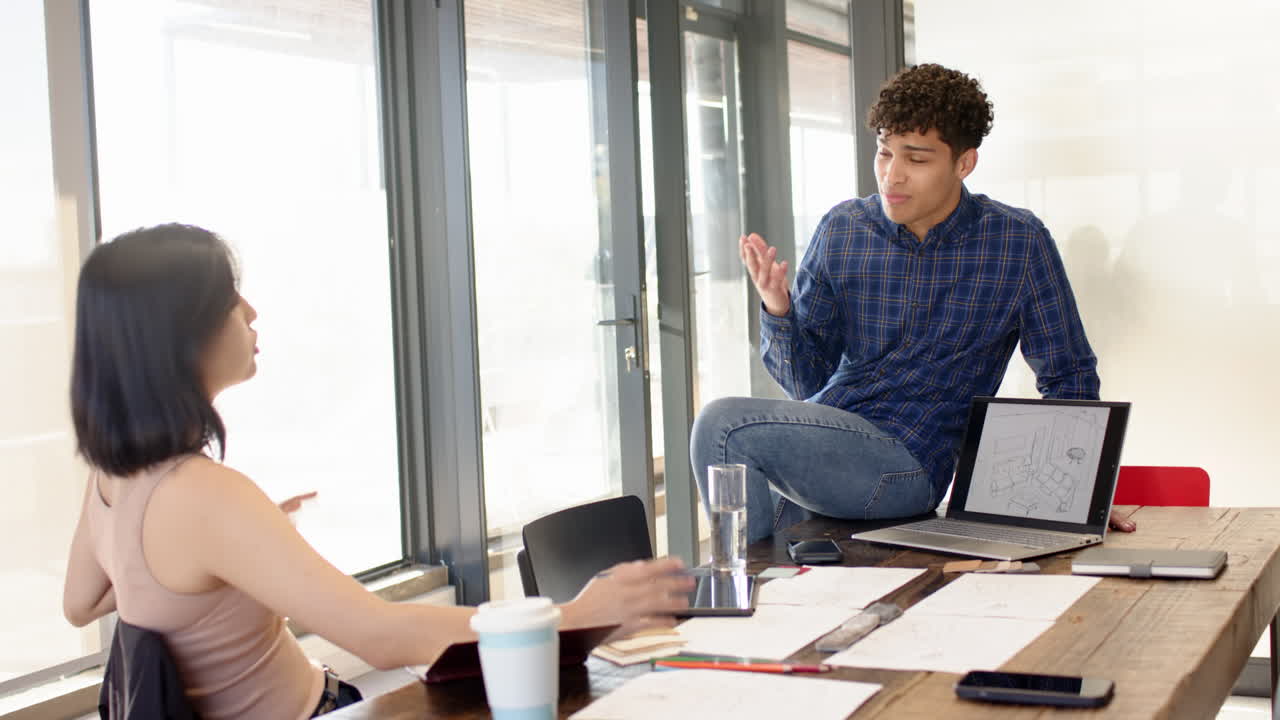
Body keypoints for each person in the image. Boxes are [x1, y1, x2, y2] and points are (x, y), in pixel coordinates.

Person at [62, 224, 693, 719]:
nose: (251, 312)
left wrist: (230, 557)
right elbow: (381, 635)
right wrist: (572, 615)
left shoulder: (113, 476)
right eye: (228, 299)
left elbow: (82, 601)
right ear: (177, 335)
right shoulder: (202, 495)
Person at [689, 63, 1137, 544]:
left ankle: (736, 579)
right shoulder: (843, 229)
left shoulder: (1016, 241)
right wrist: (779, 312)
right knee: (786, 572)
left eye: (916, 160)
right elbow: (807, 380)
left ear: (964, 163)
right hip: (829, 444)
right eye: (884, 154)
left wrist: (1078, 494)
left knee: (722, 425)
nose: (892, 176)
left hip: (909, 464)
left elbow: (1068, 374)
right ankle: (752, 586)